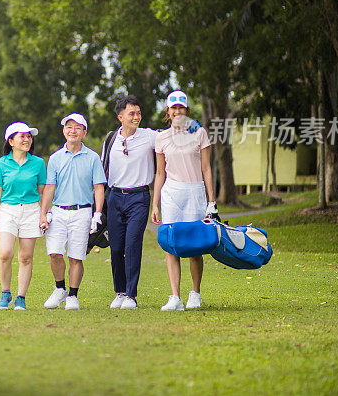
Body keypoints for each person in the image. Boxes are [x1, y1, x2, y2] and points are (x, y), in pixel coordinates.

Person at [150, 90, 217, 311]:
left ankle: (195, 293)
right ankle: (175, 297)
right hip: (171, 193)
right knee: (172, 244)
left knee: (195, 245)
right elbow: (160, 172)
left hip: (195, 191)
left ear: (186, 110)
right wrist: (155, 203)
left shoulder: (200, 133)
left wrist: (211, 200)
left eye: (181, 107)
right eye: (173, 108)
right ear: (168, 112)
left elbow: (207, 168)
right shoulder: (161, 137)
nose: (177, 111)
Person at [39, 113, 106, 310]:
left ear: (84, 132)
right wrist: (44, 212)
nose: (73, 131)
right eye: (69, 127)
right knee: (54, 253)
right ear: (64, 131)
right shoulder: (55, 158)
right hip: (58, 211)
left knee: (76, 256)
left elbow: (98, 188)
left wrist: (98, 213)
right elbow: (50, 187)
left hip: (83, 212)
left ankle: (73, 296)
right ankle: (60, 288)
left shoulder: (93, 157)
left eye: (78, 128)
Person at [101, 95, 158, 310]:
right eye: (132, 113)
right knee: (115, 247)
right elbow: (102, 169)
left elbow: (171, 137)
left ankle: (131, 296)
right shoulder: (111, 139)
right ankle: (120, 291)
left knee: (132, 243)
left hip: (139, 197)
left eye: (138, 113)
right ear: (120, 117)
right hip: (114, 197)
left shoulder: (149, 136)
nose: (136, 117)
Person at [0, 121, 47, 310]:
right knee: (5, 253)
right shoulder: (0, 163)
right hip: (7, 210)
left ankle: (21, 297)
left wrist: (43, 214)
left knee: (26, 257)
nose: (27, 139)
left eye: (29, 136)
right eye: (22, 136)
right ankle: (5, 293)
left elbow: (41, 190)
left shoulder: (38, 163)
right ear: (11, 141)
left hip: (31, 211)